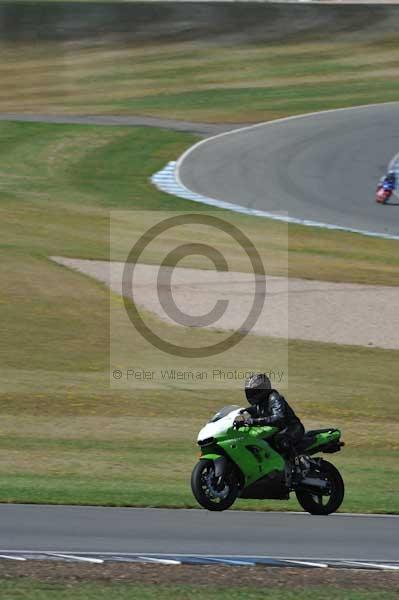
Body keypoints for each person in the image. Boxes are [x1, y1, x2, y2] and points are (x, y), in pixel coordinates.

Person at [233, 373, 305, 457]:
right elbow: (254, 410)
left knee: (281, 439)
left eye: (254, 392)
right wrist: (241, 412)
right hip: (278, 428)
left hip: (292, 428)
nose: (251, 395)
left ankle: (297, 463)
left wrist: (253, 421)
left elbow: (278, 418)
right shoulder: (260, 402)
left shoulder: (274, 398)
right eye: (249, 392)